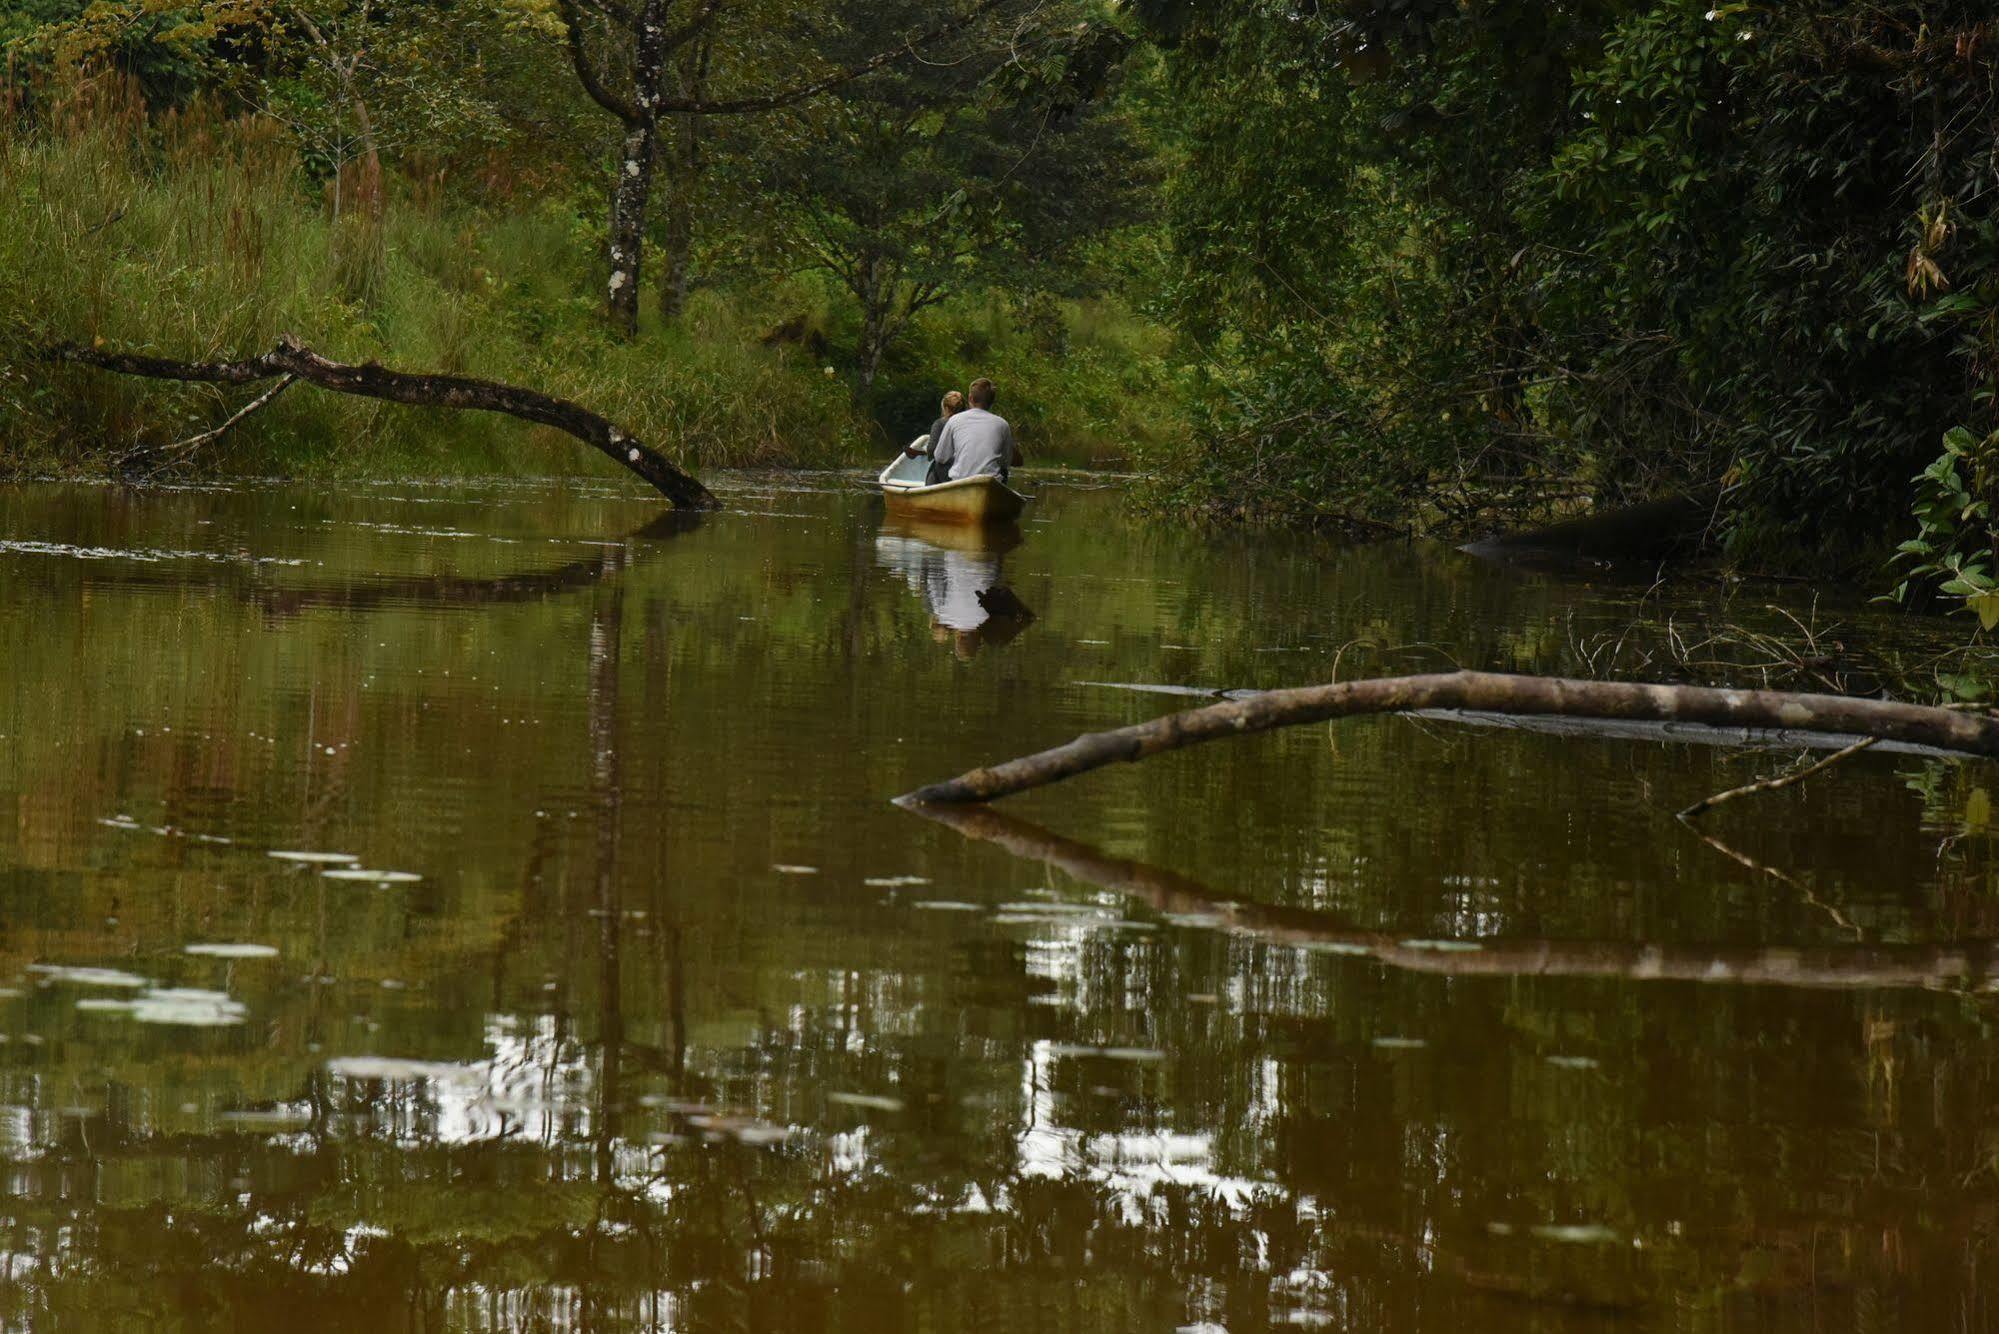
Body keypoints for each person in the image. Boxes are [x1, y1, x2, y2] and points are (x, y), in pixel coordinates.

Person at [930, 378, 1022, 483]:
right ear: (992, 401)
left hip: (960, 483)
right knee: (1003, 470)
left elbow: (940, 457)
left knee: (937, 464)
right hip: (989, 483)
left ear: (970, 398)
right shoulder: (1002, 424)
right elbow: (1006, 462)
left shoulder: (954, 420)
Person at [905, 389, 965, 485]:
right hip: (968, 468)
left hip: (948, 473)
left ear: (945, 407)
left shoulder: (940, 423)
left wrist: (924, 452)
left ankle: (929, 493)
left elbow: (933, 450)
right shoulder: (970, 424)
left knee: (936, 465)